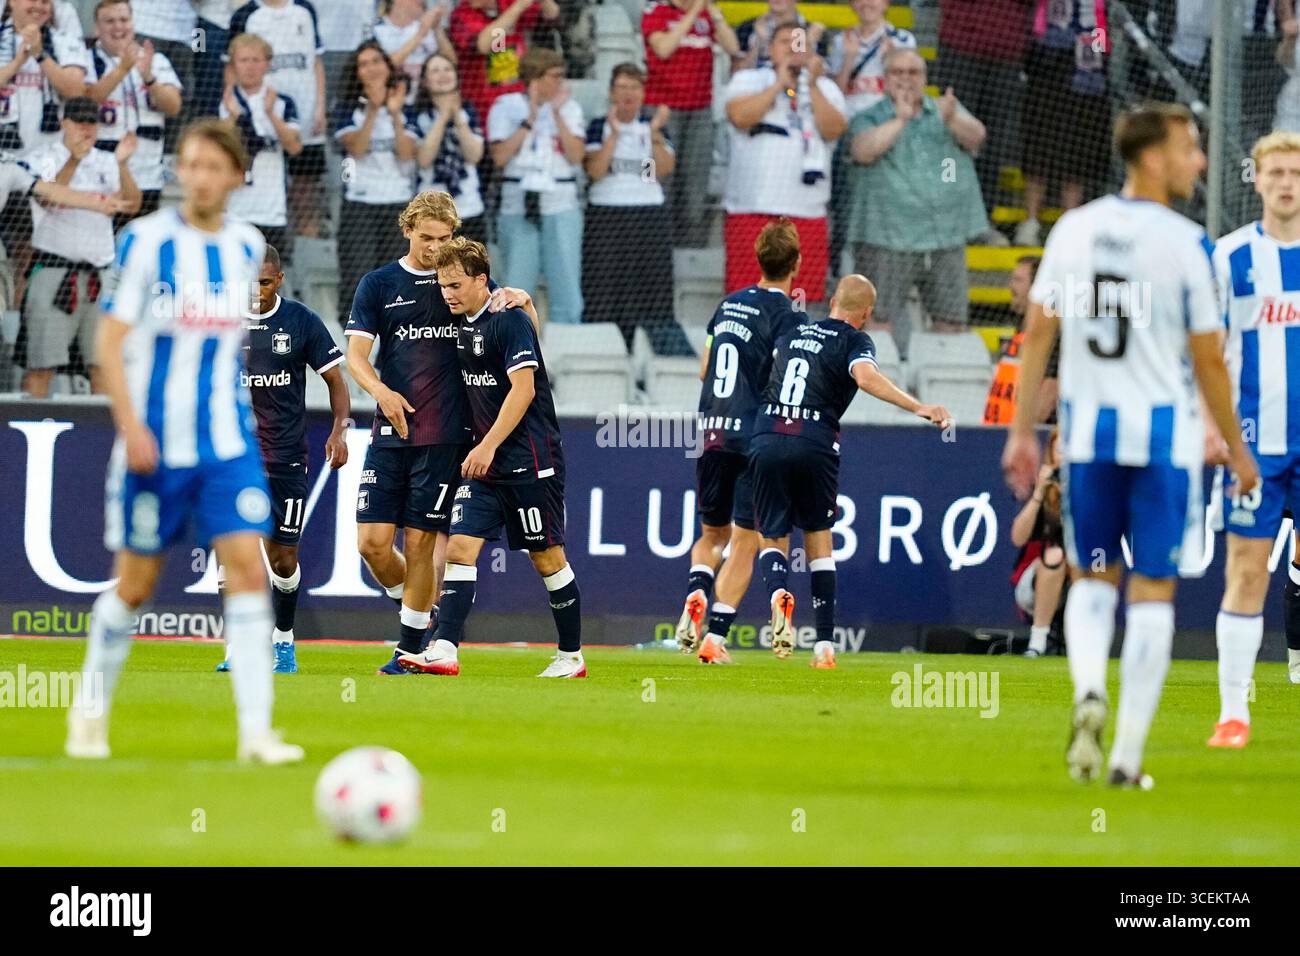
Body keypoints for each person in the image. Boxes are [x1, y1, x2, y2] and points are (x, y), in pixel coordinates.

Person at [1002, 103, 1259, 788]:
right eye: (1189, 148)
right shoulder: (1185, 243)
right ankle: (1125, 759)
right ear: (1154, 156)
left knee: (1092, 576)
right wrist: (1236, 447)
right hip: (1162, 443)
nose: (1199, 162)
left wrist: (1024, 430)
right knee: (1151, 590)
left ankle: (1090, 689)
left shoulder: (1074, 230)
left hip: (1087, 440)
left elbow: (1036, 336)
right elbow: (1209, 361)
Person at [65, 118, 304, 765]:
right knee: (136, 587)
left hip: (227, 445)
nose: (199, 176)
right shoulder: (144, 241)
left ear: (235, 176)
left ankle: (257, 734)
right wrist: (131, 425)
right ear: (180, 172)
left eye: (212, 166)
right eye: (190, 165)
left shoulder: (247, 247)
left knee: (249, 570)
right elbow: (108, 343)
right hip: (154, 444)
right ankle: (89, 709)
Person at [397, 237, 585, 678]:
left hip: (529, 458)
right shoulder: (464, 317)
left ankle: (571, 656)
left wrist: (486, 445)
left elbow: (524, 390)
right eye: (443, 285)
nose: (448, 294)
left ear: (482, 281)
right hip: (486, 465)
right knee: (461, 548)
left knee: (547, 559)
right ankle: (444, 647)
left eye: (456, 285)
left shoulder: (509, 319)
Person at [750, 274, 949, 667]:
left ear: (832, 300)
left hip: (769, 434)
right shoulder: (855, 340)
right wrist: (919, 407)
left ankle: (777, 594)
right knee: (818, 539)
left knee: (771, 536)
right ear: (868, 313)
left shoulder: (794, 334)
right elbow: (865, 377)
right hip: (814, 440)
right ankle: (824, 646)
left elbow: (765, 378)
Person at [344, 190, 470, 675]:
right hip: (391, 429)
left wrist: (521, 301)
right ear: (407, 230)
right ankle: (419, 612)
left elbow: (510, 326)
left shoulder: (460, 282)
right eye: (426, 238)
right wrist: (381, 391)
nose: (435, 248)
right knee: (372, 544)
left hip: (445, 435)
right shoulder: (379, 284)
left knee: (421, 542)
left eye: (444, 239)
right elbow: (356, 355)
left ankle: (410, 648)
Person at [214, 244, 350, 675]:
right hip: (233, 459)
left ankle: (284, 642)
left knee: (282, 560)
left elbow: (335, 379)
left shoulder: (301, 321)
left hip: (286, 457)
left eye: (265, 282)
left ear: (280, 279)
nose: (255, 291)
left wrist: (339, 429)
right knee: (233, 556)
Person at [676, 218, 803, 664]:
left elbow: (703, 368)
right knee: (746, 541)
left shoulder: (727, 306)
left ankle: (696, 594)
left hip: (712, 431)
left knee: (711, 536)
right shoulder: (790, 317)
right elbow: (785, 378)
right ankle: (715, 639)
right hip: (754, 436)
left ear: (758, 258)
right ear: (797, 264)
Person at [1209, 131, 1300, 743]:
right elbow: (1206, 352)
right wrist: (1211, 429)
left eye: (1296, 172)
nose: (1287, 182)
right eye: (1276, 172)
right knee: (1247, 570)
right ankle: (1233, 712)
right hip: (1253, 445)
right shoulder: (1228, 257)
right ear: (1257, 179)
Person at [848, 47, 987, 352]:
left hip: (945, 235)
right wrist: (900, 119)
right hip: (887, 236)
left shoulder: (945, 108)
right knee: (878, 321)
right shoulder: (869, 116)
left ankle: (942, 395)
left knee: (951, 323)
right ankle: (880, 394)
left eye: (913, 73)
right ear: (885, 79)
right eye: (898, 72)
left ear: (924, 77)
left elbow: (976, 136)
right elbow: (863, 150)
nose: (906, 79)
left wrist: (951, 119)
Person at [20, 96, 141, 398]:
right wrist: (74, 159)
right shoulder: (43, 157)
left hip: (100, 276)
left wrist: (123, 165)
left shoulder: (106, 160)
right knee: (42, 366)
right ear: (64, 123)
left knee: (101, 366)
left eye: (91, 123)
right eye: (79, 122)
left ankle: (100, 442)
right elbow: (48, 198)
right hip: (54, 272)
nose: (86, 129)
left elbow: (132, 205)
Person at [724, 21, 846, 306]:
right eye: (785, 42)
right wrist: (780, 83)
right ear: (770, 49)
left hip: (806, 213)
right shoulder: (749, 80)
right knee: (746, 302)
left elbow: (834, 129)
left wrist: (810, 85)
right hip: (751, 210)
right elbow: (740, 117)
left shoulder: (827, 88)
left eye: (800, 43)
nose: (793, 48)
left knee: (802, 306)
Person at [582, 61, 685, 353]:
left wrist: (652, 133)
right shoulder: (598, 126)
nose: (628, 93)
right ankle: (604, 351)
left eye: (634, 87)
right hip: (606, 215)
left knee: (651, 289)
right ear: (611, 92)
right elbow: (596, 171)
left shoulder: (654, 126)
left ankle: (652, 354)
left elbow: (661, 169)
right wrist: (615, 135)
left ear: (643, 92)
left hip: (648, 215)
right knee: (605, 285)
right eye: (622, 87)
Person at [488, 46, 583, 324]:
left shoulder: (569, 107)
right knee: (517, 286)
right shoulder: (505, 106)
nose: (560, 83)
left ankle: (568, 348)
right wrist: (529, 119)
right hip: (518, 200)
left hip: (561, 201)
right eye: (554, 76)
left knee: (567, 286)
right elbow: (501, 157)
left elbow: (577, 156)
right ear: (535, 78)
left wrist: (556, 114)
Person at [331, 40, 418, 322]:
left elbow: (407, 155)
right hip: (360, 202)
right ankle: (351, 348)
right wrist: (372, 110)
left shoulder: (407, 108)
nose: (371, 69)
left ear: (387, 67)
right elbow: (356, 149)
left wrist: (393, 112)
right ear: (356, 72)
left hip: (399, 203)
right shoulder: (346, 107)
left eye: (376, 62)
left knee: (397, 279)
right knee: (358, 275)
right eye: (363, 64)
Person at [826, 0, 915, 274]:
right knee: (846, 202)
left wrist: (892, 58)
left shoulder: (902, 39)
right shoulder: (842, 40)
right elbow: (835, 92)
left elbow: (908, 86)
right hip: (850, 131)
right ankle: (839, 265)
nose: (868, 4)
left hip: (886, 129)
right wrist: (850, 58)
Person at [642, 0, 740, 248]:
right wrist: (695, 11)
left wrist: (714, 15)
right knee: (657, 179)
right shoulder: (656, 12)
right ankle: (653, 244)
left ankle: (691, 247)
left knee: (695, 183)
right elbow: (663, 48)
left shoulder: (707, 15)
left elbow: (733, 47)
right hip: (660, 110)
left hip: (699, 110)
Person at [229, 0, 329, 240]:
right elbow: (230, 63)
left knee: (306, 189)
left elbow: (316, 61)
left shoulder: (305, 10)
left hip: (302, 117)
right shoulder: (245, 15)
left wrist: (320, 108)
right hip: (257, 114)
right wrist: (232, 102)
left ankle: (306, 254)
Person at [1015, 0, 1109, 248]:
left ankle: (1072, 226)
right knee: (1039, 142)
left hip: (1087, 64)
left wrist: (1098, 60)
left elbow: (1101, 20)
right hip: (1047, 58)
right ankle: (1030, 221)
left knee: (1077, 148)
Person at [86, 0, 184, 225]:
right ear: (97, 28)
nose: (118, 27)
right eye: (109, 21)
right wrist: (122, 69)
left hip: (147, 174)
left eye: (124, 20)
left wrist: (149, 77)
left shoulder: (156, 60)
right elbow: (87, 101)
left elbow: (173, 107)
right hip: (102, 176)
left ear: (133, 23)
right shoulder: (87, 59)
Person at [935, 0, 1031, 207]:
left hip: (1007, 51)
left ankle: (983, 217)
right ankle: (947, 211)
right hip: (960, 46)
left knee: (995, 140)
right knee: (952, 133)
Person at [219, 32, 302, 257]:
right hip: (233, 211)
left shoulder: (283, 102)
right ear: (234, 64)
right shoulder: (223, 102)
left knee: (266, 284)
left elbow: (294, 148)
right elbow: (217, 148)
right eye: (244, 60)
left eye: (256, 60)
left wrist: (270, 114)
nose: (250, 66)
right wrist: (233, 117)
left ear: (267, 63)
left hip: (271, 210)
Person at [411, 52, 487, 244]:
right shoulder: (416, 114)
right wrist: (443, 117)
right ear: (425, 81)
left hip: (470, 208)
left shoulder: (468, 111)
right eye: (435, 71)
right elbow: (424, 159)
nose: (443, 74)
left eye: (447, 69)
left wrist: (458, 118)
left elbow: (475, 155)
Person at [449, 0, 560, 126]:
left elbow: (552, 15)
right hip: (482, 102)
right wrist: (517, 8)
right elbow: (483, 45)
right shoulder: (460, 14)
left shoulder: (507, 2)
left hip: (518, 94)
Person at [0, 0, 90, 155]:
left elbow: (76, 92)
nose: (39, 6)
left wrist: (40, 54)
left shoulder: (64, 40)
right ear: (12, 2)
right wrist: (16, 64)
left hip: (48, 155)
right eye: (32, 0)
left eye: (45, 2)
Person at [1009, 427, 1066, 657]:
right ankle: (1038, 641)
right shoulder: (1040, 486)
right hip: (1035, 584)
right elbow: (1018, 537)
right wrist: (1040, 493)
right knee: (1055, 555)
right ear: (1052, 452)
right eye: (1062, 448)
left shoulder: (1095, 489)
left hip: (1084, 578)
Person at [982, 255, 1058, 426]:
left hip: (1025, 438)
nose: (1011, 286)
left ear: (1036, 287)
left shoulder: (1051, 335)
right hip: (997, 432)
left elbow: (1049, 395)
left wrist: (1020, 433)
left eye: (1018, 280)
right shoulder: (1021, 327)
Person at [374, 0, 455, 97]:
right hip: (394, 98)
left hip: (426, 101)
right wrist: (420, 35)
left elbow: (452, 62)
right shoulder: (377, 29)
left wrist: (437, 29)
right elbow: (384, 67)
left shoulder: (425, 27)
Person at [734, 0, 825, 72]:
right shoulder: (748, 27)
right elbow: (737, 73)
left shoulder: (813, 31)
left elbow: (823, 75)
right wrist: (759, 42)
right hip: (756, 89)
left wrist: (809, 44)